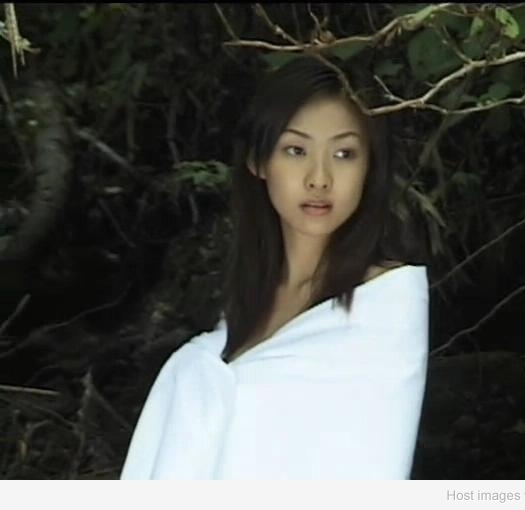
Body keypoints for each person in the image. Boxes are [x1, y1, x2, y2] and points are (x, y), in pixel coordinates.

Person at [120, 56, 430, 480]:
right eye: (296, 150)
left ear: (369, 167)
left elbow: (368, 466)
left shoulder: (385, 306)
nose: (319, 178)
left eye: (344, 154)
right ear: (259, 161)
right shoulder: (246, 300)